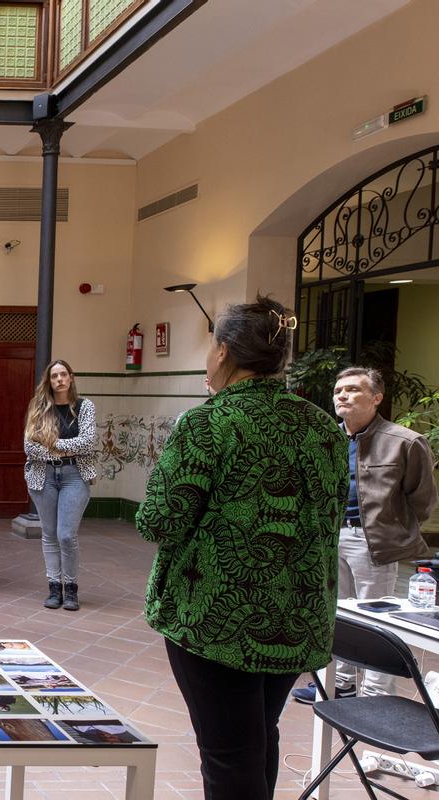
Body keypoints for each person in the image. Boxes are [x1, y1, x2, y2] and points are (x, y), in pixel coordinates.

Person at [135, 296, 347, 800]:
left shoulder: (207, 423)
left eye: (211, 345)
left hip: (218, 617)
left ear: (224, 351)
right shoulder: (322, 427)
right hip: (294, 614)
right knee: (257, 738)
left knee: (229, 755)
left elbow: (159, 520)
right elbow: (334, 511)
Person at [292, 366, 438, 704]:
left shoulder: (405, 441)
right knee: (337, 614)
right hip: (330, 538)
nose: (341, 395)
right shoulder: (326, 438)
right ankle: (341, 684)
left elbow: (423, 501)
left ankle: (376, 696)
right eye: (338, 389)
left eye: (353, 389)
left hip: (373, 542)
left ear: (376, 397)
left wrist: (392, 529)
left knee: (377, 621)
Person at [23, 360, 97, 612]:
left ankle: (71, 588)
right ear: (49, 381)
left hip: (75, 475)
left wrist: (54, 446)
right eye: (54, 376)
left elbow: (87, 443)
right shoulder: (39, 407)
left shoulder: (85, 407)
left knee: (66, 535)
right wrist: (62, 448)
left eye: (63, 374)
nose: (59, 380)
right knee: (49, 534)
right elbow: (29, 447)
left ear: (71, 377)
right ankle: (54, 587)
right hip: (44, 476)